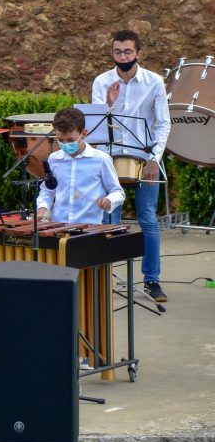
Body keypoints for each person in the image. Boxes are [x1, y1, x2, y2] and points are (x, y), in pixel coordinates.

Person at [91, 29, 171, 303]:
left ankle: (152, 281)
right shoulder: (102, 81)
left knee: (147, 219)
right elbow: (95, 127)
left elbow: (163, 123)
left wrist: (154, 159)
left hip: (144, 157)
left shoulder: (154, 82)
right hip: (110, 159)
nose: (122, 56)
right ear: (112, 53)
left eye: (127, 51)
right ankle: (103, 279)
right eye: (117, 52)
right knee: (107, 220)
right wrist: (108, 106)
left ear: (138, 53)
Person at [36, 107, 124, 224]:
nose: (65, 144)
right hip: (58, 225)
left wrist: (110, 200)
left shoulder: (101, 159)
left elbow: (118, 192)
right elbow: (47, 190)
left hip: (89, 228)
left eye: (70, 140)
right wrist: (43, 207)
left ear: (84, 134)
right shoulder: (54, 159)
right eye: (60, 140)